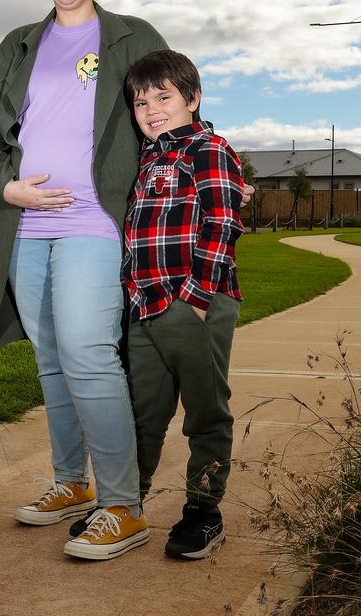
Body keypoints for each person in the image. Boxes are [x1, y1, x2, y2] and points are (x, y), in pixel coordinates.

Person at [0, 0, 168, 561]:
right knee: (51, 354)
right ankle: (72, 483)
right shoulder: (19, 44)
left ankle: (123, 506)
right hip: (27, 225)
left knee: (88, 352)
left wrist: (207, 171)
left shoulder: (133, 37)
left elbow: (169, 112)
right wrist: (6, 188)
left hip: (95, 222)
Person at [122, 49, 243, 560]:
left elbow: (222, 222)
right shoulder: (146, 158)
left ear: (192, 98)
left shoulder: (208, 149)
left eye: (163, 97)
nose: (151, 110)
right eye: (140, 102)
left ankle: (203, 510)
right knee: (143, 414)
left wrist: (195, 299)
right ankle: (126, 503)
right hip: (146, 306)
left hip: (196, 303)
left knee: (205, 410)